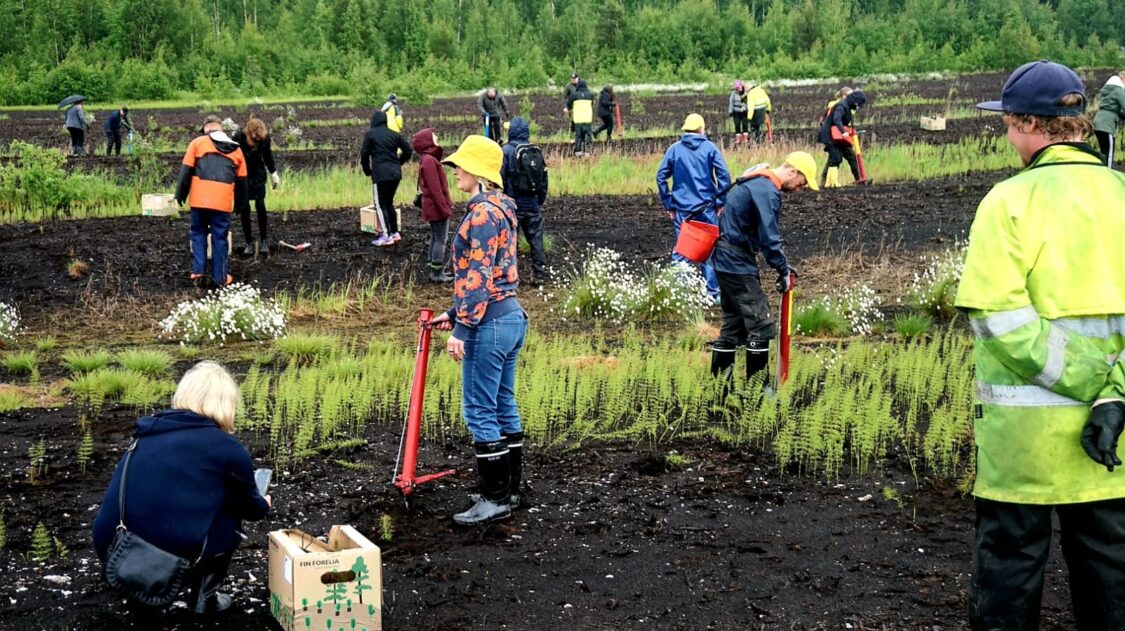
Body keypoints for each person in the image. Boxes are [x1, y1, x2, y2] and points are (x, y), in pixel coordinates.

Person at [955, 60, 1125, 630]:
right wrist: (1113, 392)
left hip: (1021, 452)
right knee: (1112, 588)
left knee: (1007, 584)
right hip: (1111, 447)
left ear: (1030, 123)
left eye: (1007, 124)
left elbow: (999, 319)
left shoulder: (1007, 203)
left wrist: (1087, 379)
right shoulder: (1121, 193)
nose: (1006, 137)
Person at [92, 361, 271, 614]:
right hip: (161, 556)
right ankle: (204, 598)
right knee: (229, 513)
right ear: (226, 403)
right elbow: (253, 510)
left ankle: (136, 586)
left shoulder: (147, 432)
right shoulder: (226, 448)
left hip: (112, 544)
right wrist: (264, 502)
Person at [428, 135, 527, 526]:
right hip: (510, 316)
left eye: (461, 166)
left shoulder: (483, 215)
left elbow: (479, 277)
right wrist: (454, 311)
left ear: (480, 172)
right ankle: (509, 490)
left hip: (489, 324)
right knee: (503, 404)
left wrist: (462, 329)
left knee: (479, 410)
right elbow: (496, 273)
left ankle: (494, 499)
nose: (456, 172)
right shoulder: (504, 208)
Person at [710, 152, 818, 388]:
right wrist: (783, 269)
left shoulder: (755, 181)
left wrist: (781, 265)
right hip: (736, 262)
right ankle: (758, 391)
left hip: (726, 259)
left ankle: (719, 390)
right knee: (762, 325)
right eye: (802, 182)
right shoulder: (767, 190)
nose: (801, 189)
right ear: (793, 171)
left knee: (734, 324)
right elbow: (769, 237)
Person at [656, 113, 730, 303]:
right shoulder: (710, 148)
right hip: (707, 209)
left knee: (682, 252)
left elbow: (661, 177)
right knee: (710, 251)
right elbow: (724, 176)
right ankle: (712, 295)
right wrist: (720, 202)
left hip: (682, 210)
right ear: (701, 129)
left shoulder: (674, 150)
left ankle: (681, 296)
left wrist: (669, 203)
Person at [175, 115, 248, 287]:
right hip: (222, 202)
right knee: (220, 238)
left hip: (199, 200)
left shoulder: (197, 143)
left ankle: (198, 272)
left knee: (198, 233)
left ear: (206, 128)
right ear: (220, 128)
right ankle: (220, 278)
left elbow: (185, 171)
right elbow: (243, 181)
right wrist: (241, 205)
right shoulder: (236, 150)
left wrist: (180, 195)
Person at [502, 117, 550, 283]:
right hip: (532, 203)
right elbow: (544, 178)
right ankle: (539, 274)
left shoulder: (506, 151)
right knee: (536, 239)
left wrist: (503, 200)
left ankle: (511, 275)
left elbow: (500, 178)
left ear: (511, 131)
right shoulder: (535, 150)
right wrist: (538, 201)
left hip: (513, 204)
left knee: (510, 241)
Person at [360, 110, 413, 247]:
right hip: (395, 174)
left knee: (380, 204)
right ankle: (395, 233)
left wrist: (368, 171)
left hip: (380, 174)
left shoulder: (371, 134)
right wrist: (398, 162)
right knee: (389, 203)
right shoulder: (394, 134)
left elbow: (364, 154)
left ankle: (385, 235)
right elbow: (408, 150)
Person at [231, 118, 279, 257]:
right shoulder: (238, 138)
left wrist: (274, 172)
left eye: (260, 139)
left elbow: (267, 156)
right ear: (250, 133)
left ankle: (264, 241)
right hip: (242, 175)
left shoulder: (265, 139)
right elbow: (232, 158)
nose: (258, 141)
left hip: (258, 174)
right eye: (255, 138)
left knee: (260, 204)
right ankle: (248, 243)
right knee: (244, 208)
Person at [412, 128, 454, 282]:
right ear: (427, 141)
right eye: (433, 135)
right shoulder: (429, 160)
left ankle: (433, 270)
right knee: (440, 239)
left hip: (432, 206)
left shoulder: (427, 159)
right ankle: (437, 273)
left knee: (436, 237)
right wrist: (445, 208)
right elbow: (435, 188)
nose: (436, 137)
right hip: (436, 207)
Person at [818, 89, 866, 187]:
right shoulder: (842, 105)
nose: (857, 107)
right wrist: (843, 132)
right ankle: (830, 183)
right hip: (830, 135)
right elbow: (836, 118)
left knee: (848, 156)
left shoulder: (847, 106)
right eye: (857, 105)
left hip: (838, 136)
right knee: (835, 157)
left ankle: (860, 180)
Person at [1093, 70, 1125, 168]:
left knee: (1104, 151)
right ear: (1122, 78)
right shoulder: (1118, 89)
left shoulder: (1107, 89)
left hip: (1098, 121)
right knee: (1110, 152)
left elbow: (1111, 107)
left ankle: (1102, 171)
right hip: (1107, 124)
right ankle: (1108, 173)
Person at [567, 79, 595, 156]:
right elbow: (593, 105)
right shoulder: (590, 95)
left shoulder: (574, 95)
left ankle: (578, 152)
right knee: (588, 135)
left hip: (578, 119)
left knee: (578, 136)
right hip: (587, 118)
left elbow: (568, 104)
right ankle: (588, 152)